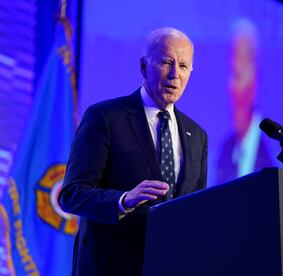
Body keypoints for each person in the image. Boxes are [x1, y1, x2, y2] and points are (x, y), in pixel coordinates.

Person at [58, 27, 208, 276]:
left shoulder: (197, 136)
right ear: (143, 66)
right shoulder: (105, 118)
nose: (174, 74)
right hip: (109, 267)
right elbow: (72, 194)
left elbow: (197, 209)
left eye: (183, 66)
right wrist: (123, 200)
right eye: (166, 62)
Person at [216, 18, 273, 184]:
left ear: (256, 80)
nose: (231, 87)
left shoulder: (274, 150)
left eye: (237, 75)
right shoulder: (225, 151)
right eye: (230, 73)